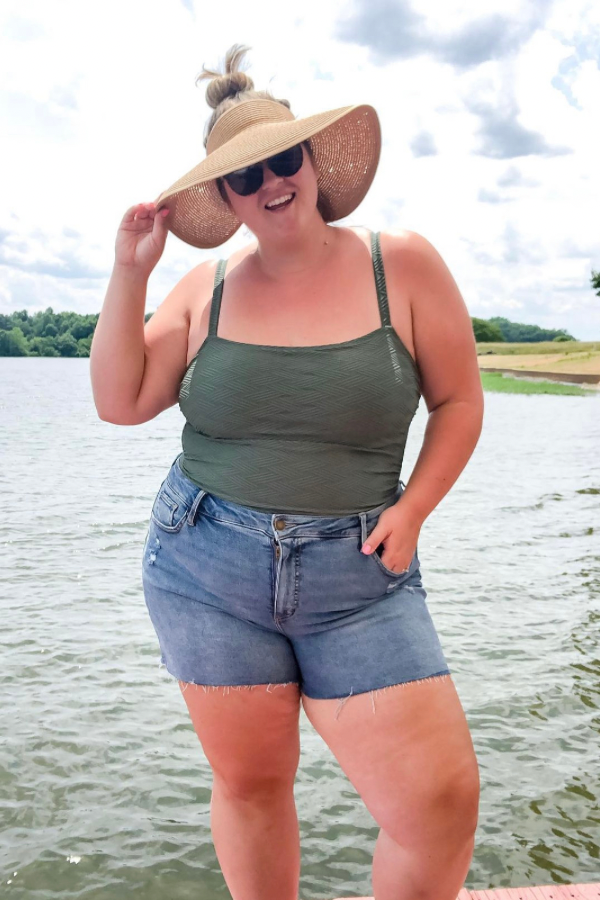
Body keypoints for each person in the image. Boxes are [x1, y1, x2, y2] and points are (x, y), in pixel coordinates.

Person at [91, 42, 483, 900]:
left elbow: (458, 404)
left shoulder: (402, 264)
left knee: (440, 806)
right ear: (225, 198)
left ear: (310, 161)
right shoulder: (207, 286)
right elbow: (120, 401)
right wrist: (130, 275)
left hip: (361, 572)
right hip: (204, 565)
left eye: (284, 158)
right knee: (253, 786)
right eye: (245, 176)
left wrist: (415, 510)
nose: (272, 181)